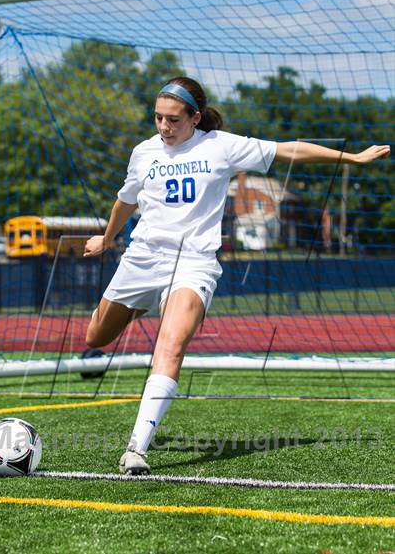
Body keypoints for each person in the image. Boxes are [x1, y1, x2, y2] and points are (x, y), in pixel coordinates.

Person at [84, 76, 390, 475]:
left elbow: (288, 150)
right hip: (143, 258)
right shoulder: (143, 153)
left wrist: (351, 159)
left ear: (195, 118)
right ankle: (144, 304)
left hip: (194, 263)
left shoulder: (221, 146)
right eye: (158, 118)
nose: (164, 127)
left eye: (174, 119)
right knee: (96, 338)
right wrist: (106, 239)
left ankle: (136, 449)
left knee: (171, 346)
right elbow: (125, 201)